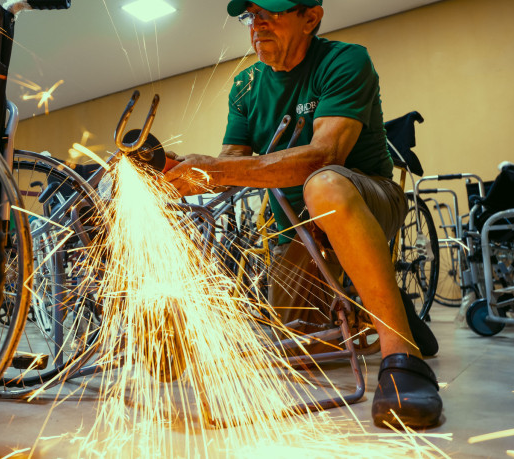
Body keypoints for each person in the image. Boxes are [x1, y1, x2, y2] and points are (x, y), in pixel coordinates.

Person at [164, 0, 443, 428]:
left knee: (324, 183)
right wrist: (184, 174)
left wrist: (217, 168)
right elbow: (231, 165)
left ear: (311, 17)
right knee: (303, 352)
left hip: (361, 198)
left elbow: (324, 156)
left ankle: (400, 354)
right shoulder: (244, 86)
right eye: (250, 14)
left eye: (270, 12)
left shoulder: (345, 61)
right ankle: (376, 299)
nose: (257, 22)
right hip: (293, 229)